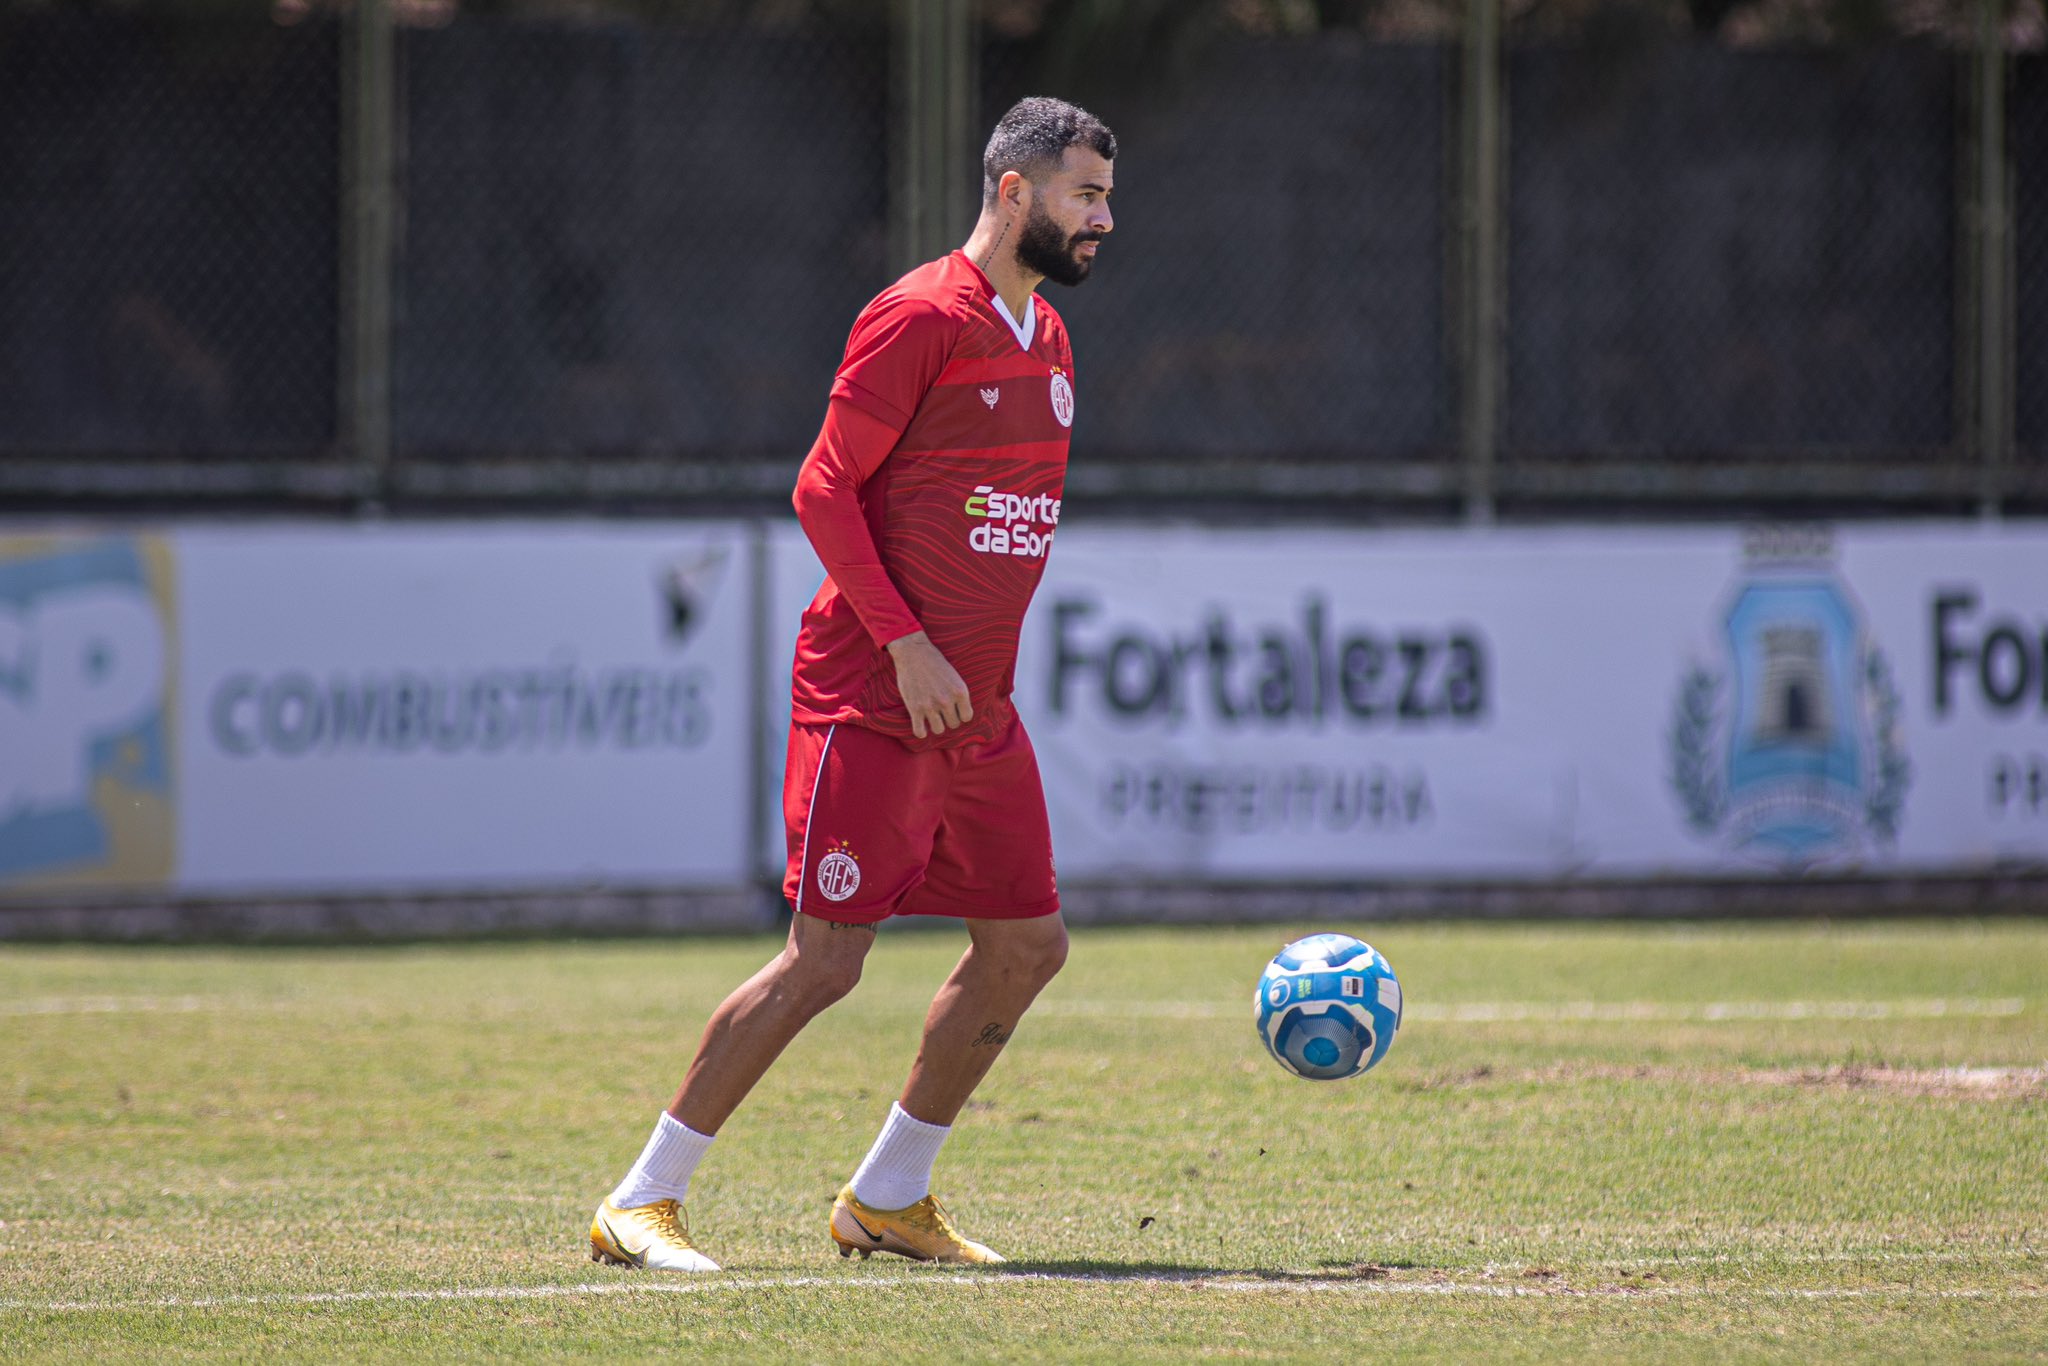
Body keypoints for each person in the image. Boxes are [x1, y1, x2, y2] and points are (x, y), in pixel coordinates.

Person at [589, 97, 1116, 1271]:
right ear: (1013, 192)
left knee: (1027, 944)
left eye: (1106, 197)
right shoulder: (918, 315)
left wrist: (962, 670)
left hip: (975, 714)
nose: (1104, 220)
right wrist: (905, 644)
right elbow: (823, 490)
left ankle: (886, 1194)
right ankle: (640, 1199)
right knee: (825, 960)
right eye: (1085, 195)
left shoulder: (1050, 338)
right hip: (873, 699)